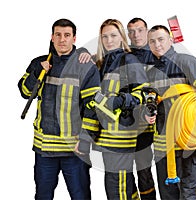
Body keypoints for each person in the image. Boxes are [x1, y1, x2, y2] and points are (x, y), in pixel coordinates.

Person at [18, 18, 100, 200]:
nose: (62, 39)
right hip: (44, 149)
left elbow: (93, 107)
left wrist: (86, 140)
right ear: (52, 37)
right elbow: (24, 92)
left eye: (67, 35)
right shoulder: (38, 64)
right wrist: (37, 74)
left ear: (74, 38)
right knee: (42, 196)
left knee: (80, 196)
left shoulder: (85, 66)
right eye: (58, 35)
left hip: (74, 150)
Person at [146, 25, 196, 200]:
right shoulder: (151, 72)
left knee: (189, 196)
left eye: (161, 39)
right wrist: (149, 110)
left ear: (171, 39)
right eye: (152, 41)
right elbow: (151, 96)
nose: (157, 44)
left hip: (188, 147)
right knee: (168, 197)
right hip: (163, 152)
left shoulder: (186, 62)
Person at [77, 18, 152, 200]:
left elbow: (144, 93)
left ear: (122, 37)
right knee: (121, 185)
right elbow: (92, 103)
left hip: (121, 138)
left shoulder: (129, 59)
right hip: (104, 137)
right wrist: (83, 52)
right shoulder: (100, 64)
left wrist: (121, 100)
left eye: (113, 35)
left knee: (116, 189)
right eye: (105, 37)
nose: (109, 40)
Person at [127, 17, 156, 200]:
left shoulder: (158, 54)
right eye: (131, 31)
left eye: (139, 30)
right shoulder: (123, 56)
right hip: (127, 121)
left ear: (147, 31)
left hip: (150, 123)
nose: (136, 35)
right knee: (124, 169)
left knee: (144, 168)